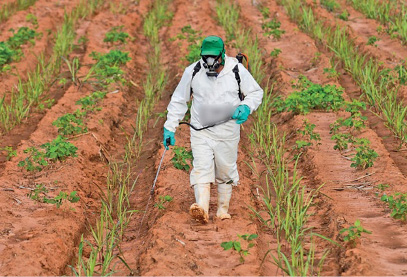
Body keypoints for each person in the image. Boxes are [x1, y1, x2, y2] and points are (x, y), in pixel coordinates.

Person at [163, 35, 263, 223]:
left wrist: (247, 106)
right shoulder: (193, 71)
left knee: (225, 170)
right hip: (201, 130)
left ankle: (222, 211)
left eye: (213, 57)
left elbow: (256, 92)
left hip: (227, 131)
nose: (210, 62)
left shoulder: (236, 70)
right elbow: (179, 100)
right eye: (206, 57)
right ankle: (202, 208)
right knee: (201, 167)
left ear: (222, 55)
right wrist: (170, 127)